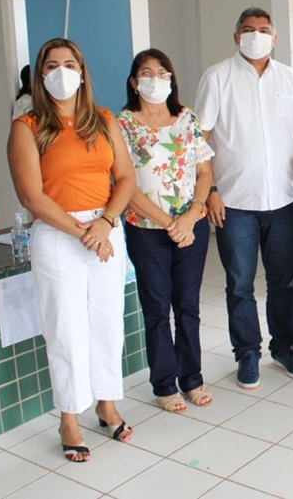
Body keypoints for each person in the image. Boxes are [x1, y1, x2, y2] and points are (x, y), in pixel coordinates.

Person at [7, 39, 137, 463]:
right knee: (65, 327)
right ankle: (69, 418)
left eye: (69, 64)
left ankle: (107, 403)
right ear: (40, 76)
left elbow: (126, 177)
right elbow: (31, 195)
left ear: (82, 71)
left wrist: (104, 223)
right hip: (58, 234)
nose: (61, 72)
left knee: (106, 322)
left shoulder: (102, 120)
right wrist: (83, 231)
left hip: (105, 229)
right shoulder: (26, 126)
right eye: (51, 65)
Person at [195, 7, 293, 389]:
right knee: (240, 283)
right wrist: (209, 190)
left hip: (283, 199)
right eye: (248, 30)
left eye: (263, 30)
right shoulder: (217, 77)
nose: (255, 36)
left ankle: (284, 347)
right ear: (236, 37)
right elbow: (202, 139)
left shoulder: (288, 78)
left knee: (283, 281)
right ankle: (247, 353)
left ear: (275, 38)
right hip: (235, 202)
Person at [118, 49, 214, 413]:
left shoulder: (186, 117)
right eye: (146, 73)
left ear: (171, 80)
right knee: (157, 308)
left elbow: (204, 172)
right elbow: (125, 183)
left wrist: (191, 215)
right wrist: (169, 222)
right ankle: (164, 382)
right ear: (133, 81)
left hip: (191, 226)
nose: (154, 80)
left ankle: (192, 378)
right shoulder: (122, 124)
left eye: (162, 73)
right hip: (147, 229)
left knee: (187, 305)